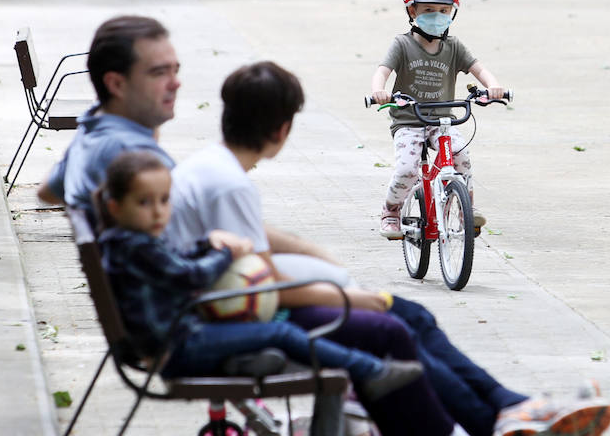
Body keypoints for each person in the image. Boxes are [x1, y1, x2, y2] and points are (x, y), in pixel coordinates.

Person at [40, 18, 610, 436]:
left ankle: (513, 426)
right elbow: (209, 268)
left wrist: (318, 262)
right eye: (158, 72)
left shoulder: (98, 135)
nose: (173, 83)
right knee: (388, 324)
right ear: (116, 83)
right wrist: (341, 290)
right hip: (206, 320)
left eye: (176, 70)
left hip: (200, 307)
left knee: (400, 317)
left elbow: (57, 192)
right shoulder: (134, 156)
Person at [97, 149, 425, 404]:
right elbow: (192, 276)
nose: (158, 212)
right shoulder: (136, 246)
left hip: (178, 340)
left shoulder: (127, 243)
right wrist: (227, 254)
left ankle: (246, 361)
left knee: (269, 334)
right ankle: (372, 372)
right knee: (280, 332)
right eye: (144, 203)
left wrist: (205, 243)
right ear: (114, 206)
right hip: (180, 348)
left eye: (164, 200)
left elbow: (175, 263)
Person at [369, 0, 504, 239]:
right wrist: (378, 91)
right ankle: (391, 210)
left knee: (461, 156)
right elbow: (382, 72)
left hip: (441, 121)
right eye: (428, 9)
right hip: (409, 120)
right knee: (407, 169)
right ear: (412, 11)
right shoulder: (402, 44)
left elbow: (478, 69)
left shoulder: (454, 46)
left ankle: (467, 210)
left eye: (444, 11)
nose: (437, 16)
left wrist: (493, 86)